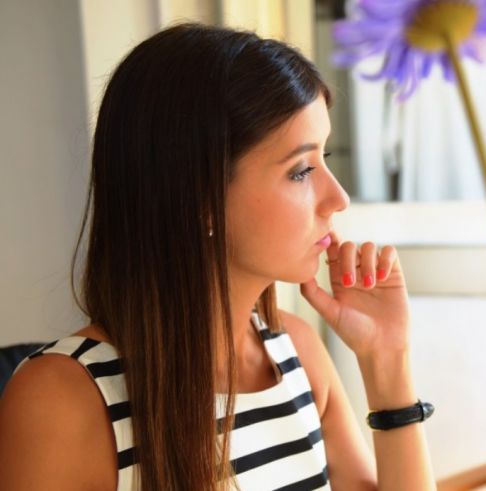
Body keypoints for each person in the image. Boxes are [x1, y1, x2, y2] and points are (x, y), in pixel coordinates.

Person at [0, 23, 435, 490]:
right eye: (302, 170)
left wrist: (387, 359)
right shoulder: (62, 402)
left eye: (324, 157)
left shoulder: (297, 354)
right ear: (198, 197)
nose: (338, 197)